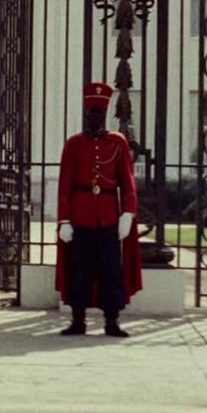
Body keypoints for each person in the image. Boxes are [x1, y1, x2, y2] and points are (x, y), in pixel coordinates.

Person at [56, 82, 142, 338]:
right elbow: (65, 185)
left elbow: (127, 181)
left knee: (110, 271)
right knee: (80, 269)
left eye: (98, 113)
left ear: (104, 115)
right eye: (90, 113)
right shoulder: (74, 144)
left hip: (107, 217)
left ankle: (112, 321)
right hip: (81, 216)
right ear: (85, 114)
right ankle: (78, 320)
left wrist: (127, 212)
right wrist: (64, 219)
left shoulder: (117, 142)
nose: (93, 118)